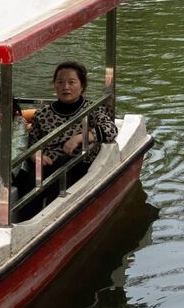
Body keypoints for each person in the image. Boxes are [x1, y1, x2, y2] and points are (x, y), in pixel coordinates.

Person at [24, 61, 118, 213]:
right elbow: (33, 143)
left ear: (82, 86)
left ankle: (51, 216)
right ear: (54, 85)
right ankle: (25, 223)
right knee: (29, 181)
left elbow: (110, 129)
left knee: (59, 178)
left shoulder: (92, 109)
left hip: (78, 162)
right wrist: (36, 155)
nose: (65, 87)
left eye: (71, 82)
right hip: (47, 163)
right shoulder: (43, 114)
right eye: (60, 82)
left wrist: (80, 137)